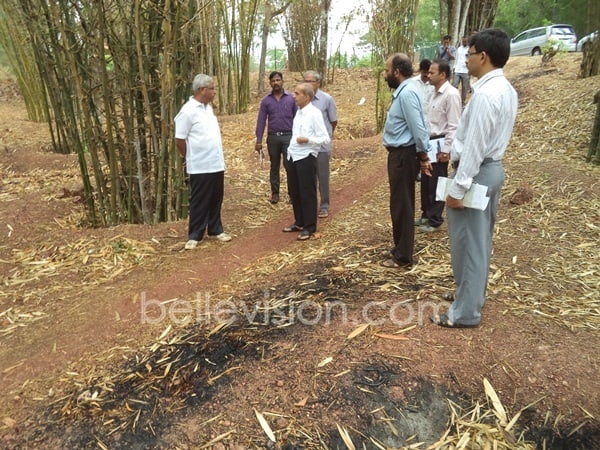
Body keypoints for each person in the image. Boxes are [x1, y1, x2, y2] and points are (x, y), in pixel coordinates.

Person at [431, 28, 518, 328]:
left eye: (469, 55)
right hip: (491, 171)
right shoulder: (506, 89)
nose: (465, 60)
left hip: (477, 173)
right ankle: (469, 296)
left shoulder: (485, 95)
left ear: (483, 56)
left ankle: (465, 312)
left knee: (468, 243)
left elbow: (475, 148)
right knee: (478, 242)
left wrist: (459, 186)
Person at [381, 53, 432, 269]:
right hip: (398, 155)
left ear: (397, 72)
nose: (385, 75)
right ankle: (399, 248)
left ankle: (403, 256)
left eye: (386, 71)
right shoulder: (404, 92)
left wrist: (423, 156)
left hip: (404, 155)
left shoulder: (408, 93)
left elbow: (418, 128)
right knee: (398, 203)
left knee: (403, 205)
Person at [175, 74, 232, 250]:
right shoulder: (188, 111)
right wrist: (189, 157)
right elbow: (179, 139)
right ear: (202, 90)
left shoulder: (207, 108)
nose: (215, 92)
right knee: (200, 199)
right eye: (212, 88)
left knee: (216, 197)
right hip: (200, 164)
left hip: (215, 161)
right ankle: (195, 234)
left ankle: (215, 229)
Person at [417, 59, 462, 233]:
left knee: (437, 181)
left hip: (440, 142)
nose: (428, 75)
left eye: (432, 72)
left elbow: (454, 125)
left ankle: (435, 218)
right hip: (428, 142)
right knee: (426, 180)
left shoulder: (451, 94)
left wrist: (446, 149)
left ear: (443, 75)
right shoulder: (432, 93)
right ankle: (426, 214)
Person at [282, 83, 330, 241]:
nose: (293, 96)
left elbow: (325, 138)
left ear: (307, 97)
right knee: (294, 191)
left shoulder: (314, 113)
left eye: (297, 93)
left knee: (307, 192)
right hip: (293, 155)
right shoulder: (299, 112)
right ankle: (300, 222)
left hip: (306, 156)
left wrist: (308, 140)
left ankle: (310, 227)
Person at [255, 71, 298, 204]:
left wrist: (298, 136)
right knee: (274, 166)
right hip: (273, 137)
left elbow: (298, 118)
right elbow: (261, 120)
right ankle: (275, 193)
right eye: (273, 81)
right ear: (270, 83)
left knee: (290, 165)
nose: (276, 83)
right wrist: (258, 140)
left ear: (282, 81)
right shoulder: (266, 101)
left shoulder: (291, 98)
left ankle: (293, 194)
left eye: (278, 80)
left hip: (288, 137)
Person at [303, 70, 338, 218]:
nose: (308, 84)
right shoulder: (302, 99)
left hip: (321, 146)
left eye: (310, 81)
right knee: (308, 177)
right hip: (306, 145)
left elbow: (333, 121)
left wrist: (326, 136)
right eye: (306, 81)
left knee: (322, 177)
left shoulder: (327, 99)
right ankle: (309, 206)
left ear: (318, 83)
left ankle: (324, 205)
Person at [453, 36, 470, 106]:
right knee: (454, 85)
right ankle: (454, 101)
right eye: (463, 41)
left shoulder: (470, 49)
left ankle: (462, 102)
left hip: (465, 70)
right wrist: (454, 67)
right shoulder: (459, 49)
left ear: (467, 41)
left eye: (465, 41)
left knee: (464, 88)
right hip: (457, 69)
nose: (464, 43)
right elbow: (456, 59)